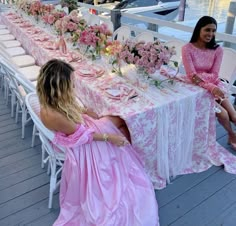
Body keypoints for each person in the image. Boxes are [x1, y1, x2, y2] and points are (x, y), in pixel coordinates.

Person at [36, 59, 159, 226]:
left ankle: (125, 154)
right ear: (60, 86)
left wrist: (83, 110)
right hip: (82, 145)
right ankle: (129, 159)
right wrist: (110, 138)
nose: (73, 87)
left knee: (120, 121)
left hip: (81, 130)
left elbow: (70, 115)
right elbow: (83, 136)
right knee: (122, 124)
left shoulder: (52, 101)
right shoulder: (52, 114)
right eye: (71, 84)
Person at [182, 16, 236, 150]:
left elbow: (215, 74)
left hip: (215, 85)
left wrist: (212, 86)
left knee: (234, 115)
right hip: (196, 88)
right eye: (207, 30)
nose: (210, 34)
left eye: (213, 31)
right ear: (199, 29)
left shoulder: (218, 49)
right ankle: (231, 134)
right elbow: (192, 76)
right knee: (223, 114)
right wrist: (210, 86)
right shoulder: (187, 48)